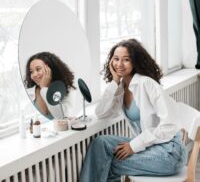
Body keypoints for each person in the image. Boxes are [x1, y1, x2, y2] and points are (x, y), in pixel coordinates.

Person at [80, 39, 187, 182]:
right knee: (100, 143)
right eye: (116, 59)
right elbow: (101, 113)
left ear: (135, 62)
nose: (119, 64)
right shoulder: (122, 87)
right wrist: (115, 81)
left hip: (169, 152)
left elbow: (169, 125)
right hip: (151, 146)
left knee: (105, 163)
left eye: (126, 60)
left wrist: (133, 146)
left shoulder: (147, 83)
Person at [24, 51, 77, 120]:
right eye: (31, 71)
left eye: (38, 69)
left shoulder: (68, 89)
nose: (34, 75)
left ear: (51, 69)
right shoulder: (29, 93)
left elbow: (61, 117)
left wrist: (44, 88)